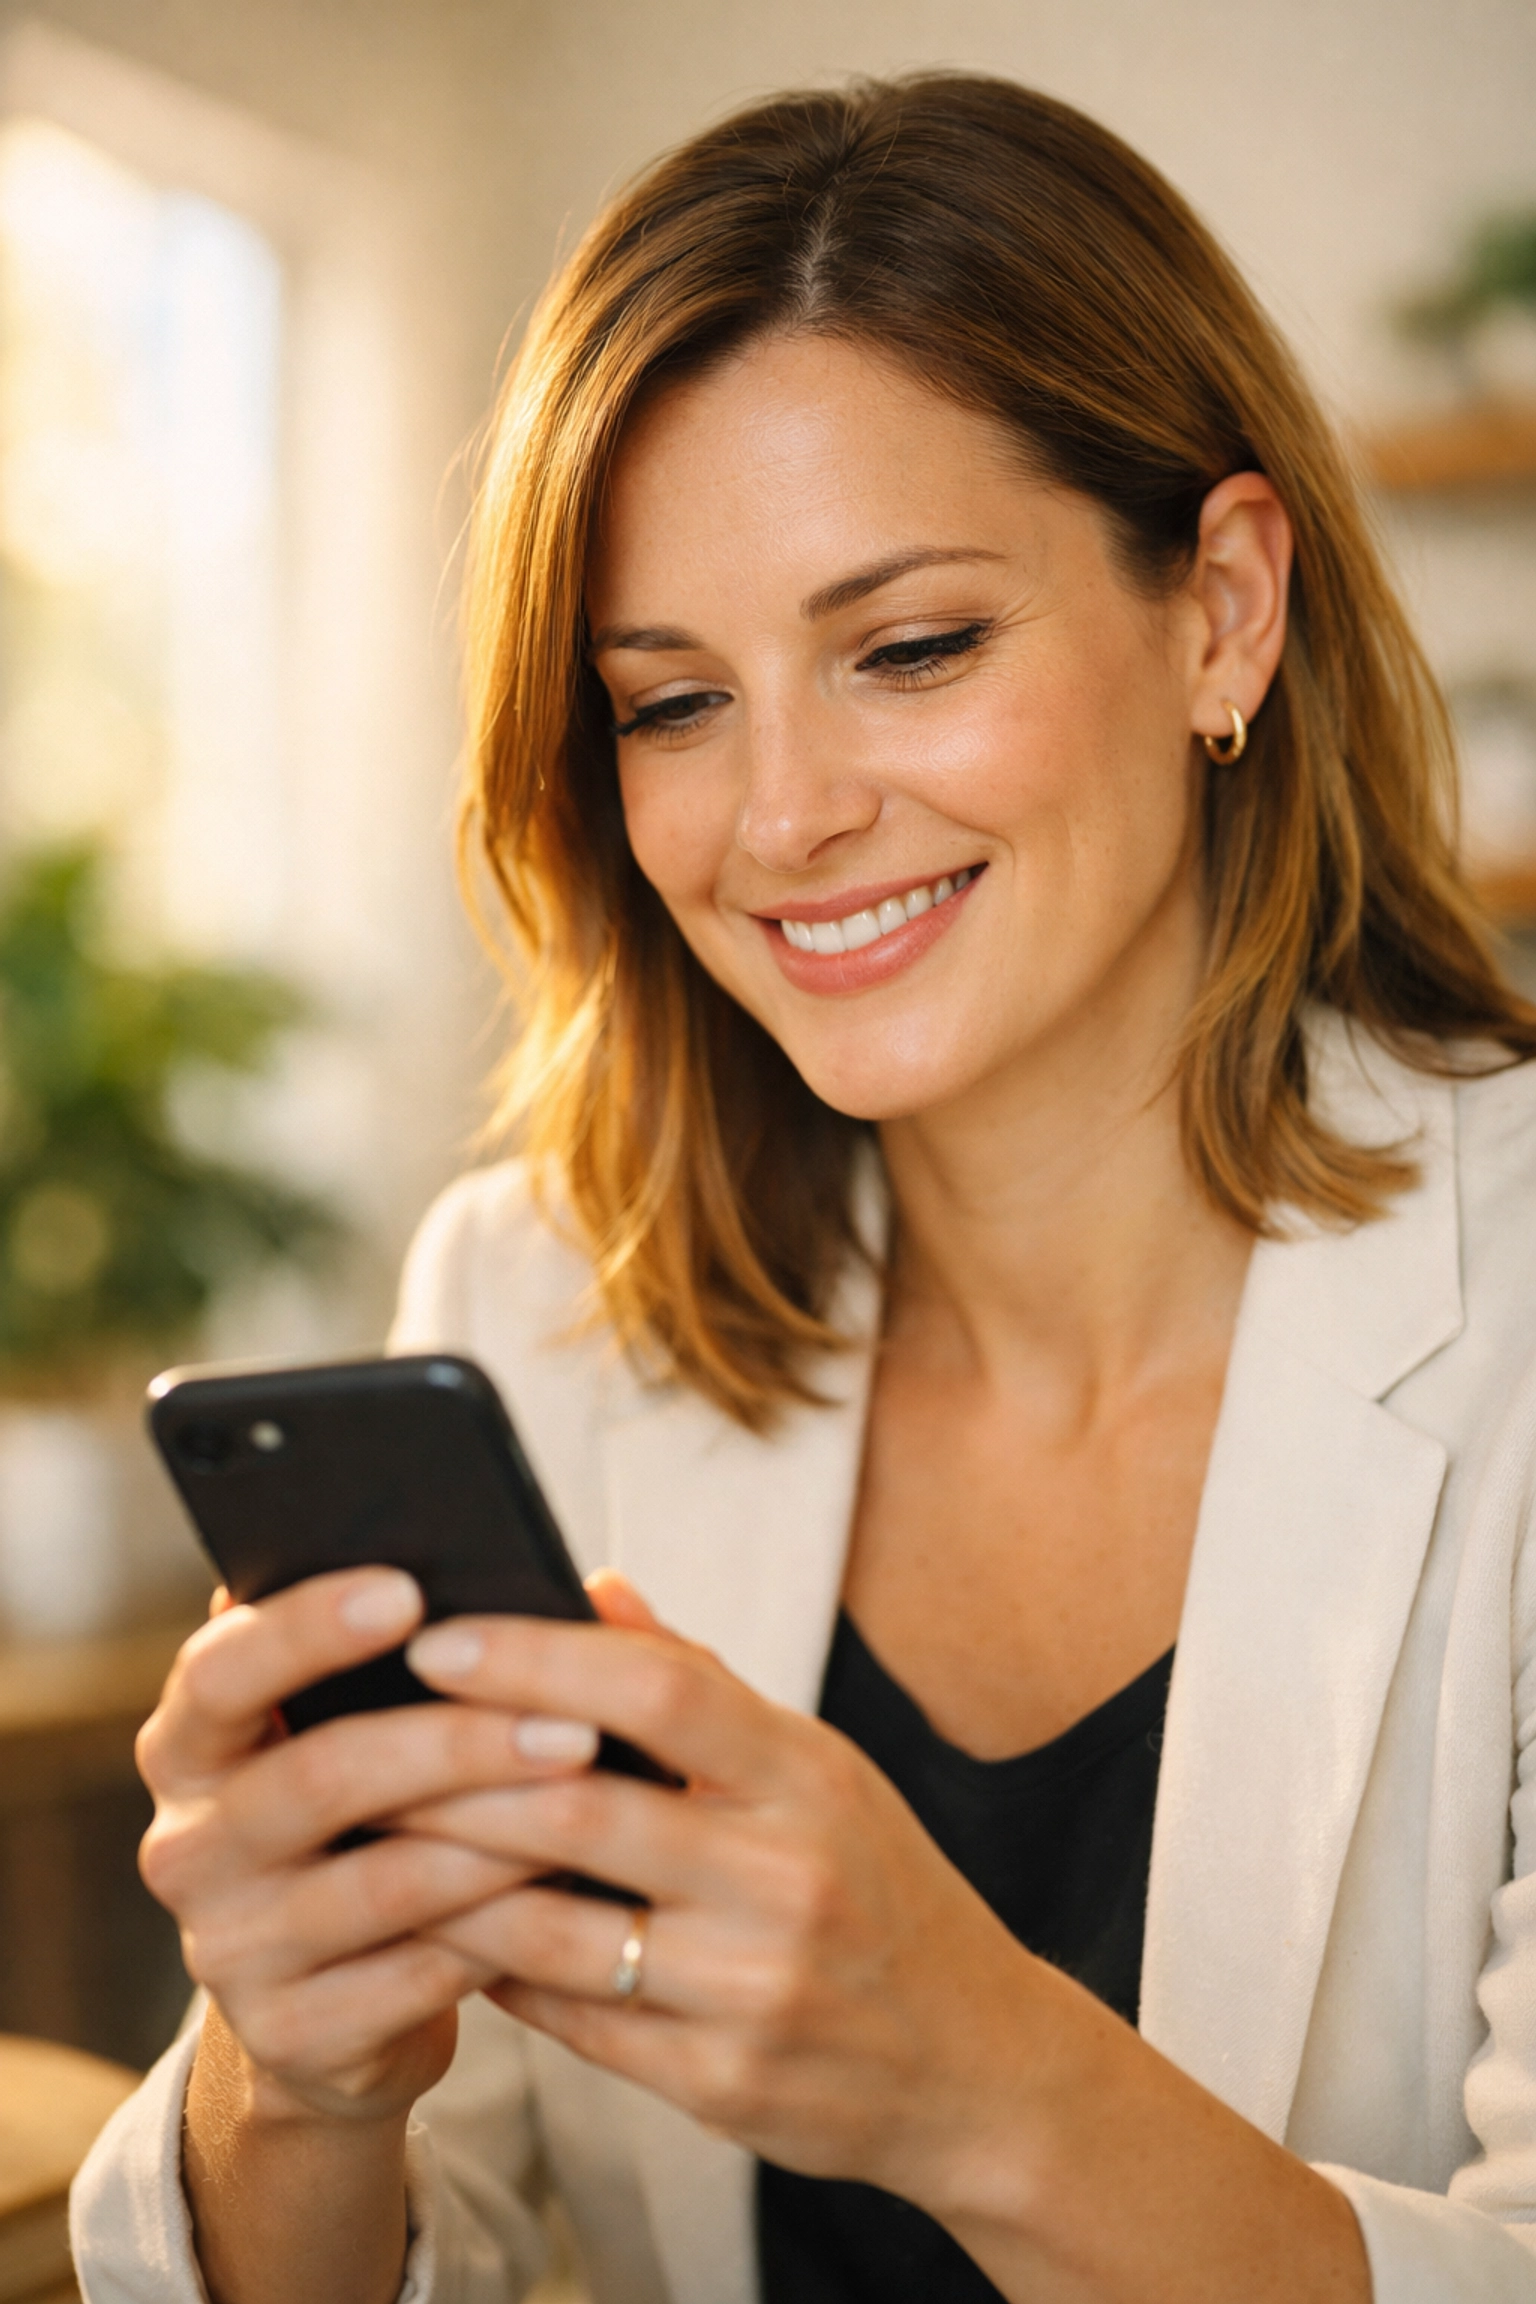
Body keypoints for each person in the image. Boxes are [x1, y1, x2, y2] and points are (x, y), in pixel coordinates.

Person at [73, 72, 1536, 2304]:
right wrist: (295, 2087)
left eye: (912, 649)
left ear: (1224, 611)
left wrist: (971, 2079)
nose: (779, 820)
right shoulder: (539, 1305)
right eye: (671, 704)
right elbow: (452, 2241)